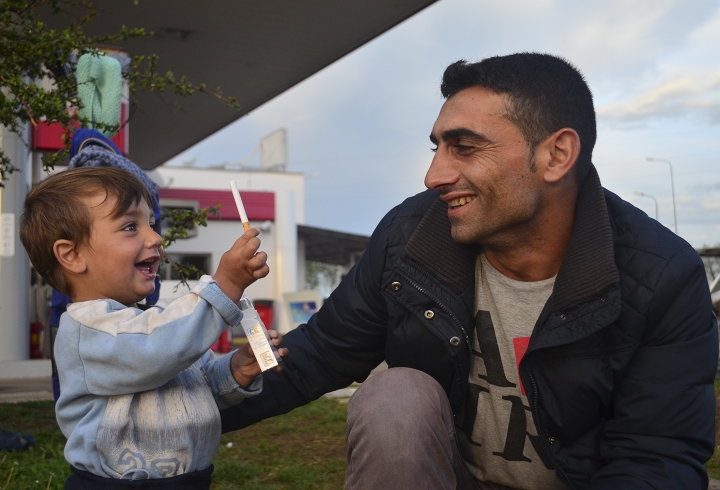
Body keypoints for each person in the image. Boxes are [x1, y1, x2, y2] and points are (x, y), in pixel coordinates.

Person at [220, 53, 717, 490]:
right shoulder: (410, 236)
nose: (434, 175)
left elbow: (656, 458)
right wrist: (173, 410)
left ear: (557, 155)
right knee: (396, 397)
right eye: (436, 147)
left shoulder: (660, 275)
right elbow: (317, 356)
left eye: (464, 147)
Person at [19, 166, 287, 489]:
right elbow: (157, 351)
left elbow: (190, 386)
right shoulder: (86, 330)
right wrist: (225, 284)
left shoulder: (153, 324)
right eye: (131, 226)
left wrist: (235, 370)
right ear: (72, 255)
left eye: (151, 223)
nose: (156, 237)